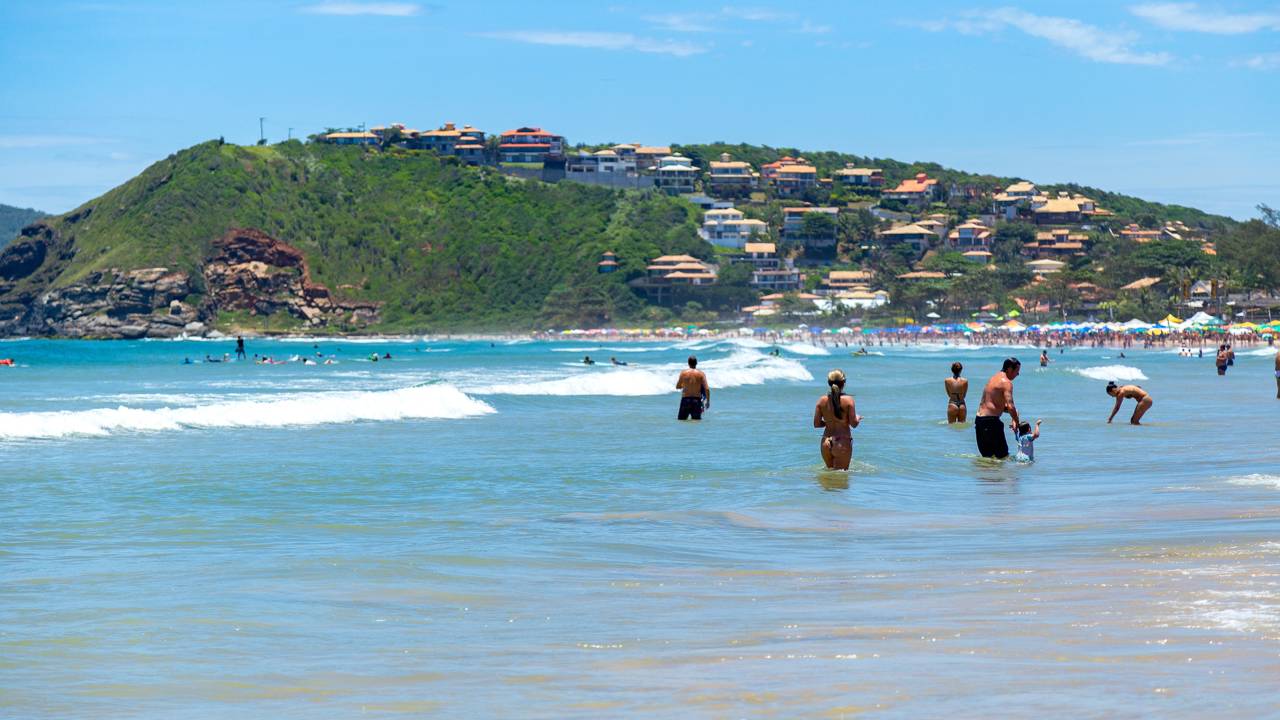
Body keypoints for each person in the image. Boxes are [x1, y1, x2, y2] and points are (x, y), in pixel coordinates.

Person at [814, 369, 861, 471]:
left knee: (829, 475)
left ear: (829, 383)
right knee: (840, 477)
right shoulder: (848, 400)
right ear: (844, 383)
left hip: (825, 441)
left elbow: (816, 424)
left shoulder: (821, 400)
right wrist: (858, 418)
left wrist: (829, 422)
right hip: (841, 442)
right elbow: (853, 424)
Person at [974, 357, 1021, 459]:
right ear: (1009, 369)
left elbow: (995, 405)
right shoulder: (1006, 383)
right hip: (991, 422)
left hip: (979, 421)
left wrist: (1014, 414)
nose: (1018, 374)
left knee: (988, 458)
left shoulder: (993, 378)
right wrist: (1017, 423)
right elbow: (1010, 406)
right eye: (1017, 371)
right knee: (1003, 457)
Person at [675, 355, 709, 420]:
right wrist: (708, 401)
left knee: (681, 421)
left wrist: (685, 385)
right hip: (696, 401)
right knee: (696, 421)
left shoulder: (683, 373)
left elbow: (678, 386)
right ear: (696, 363)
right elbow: (707, 389)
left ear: (688, 363)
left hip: (685, 400)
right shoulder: (701, 374)